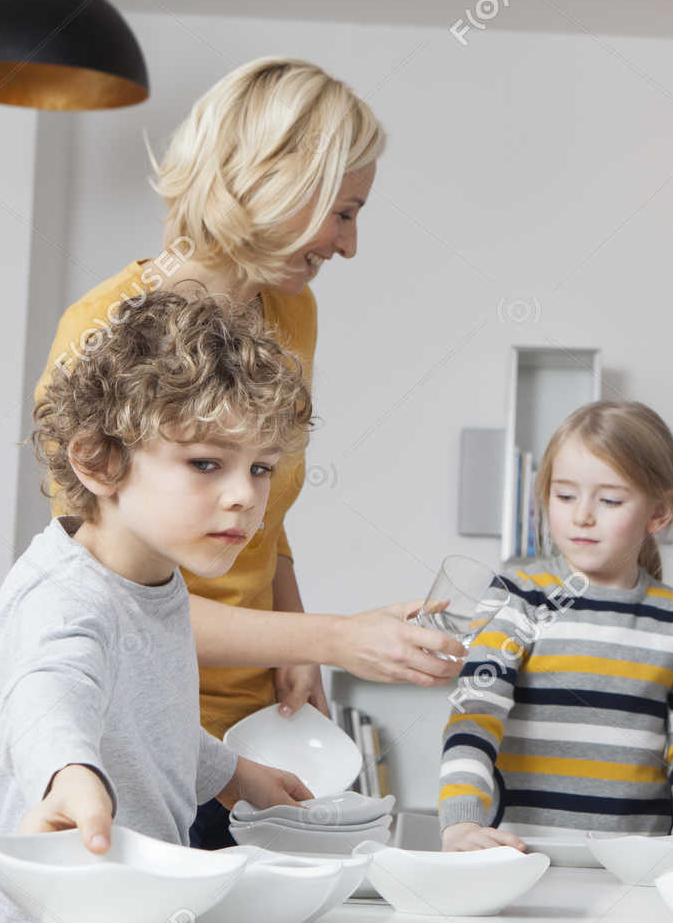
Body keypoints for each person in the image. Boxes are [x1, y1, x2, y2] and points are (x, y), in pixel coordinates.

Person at [33, 58, 463, 849]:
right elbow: (109, 600)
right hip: (149, 737)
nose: (350, 243)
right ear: (273, 183)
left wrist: (296, 645)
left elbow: (269, 518)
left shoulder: (289, 313)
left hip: (260, 731)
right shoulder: (100, 334)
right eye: (343, 211)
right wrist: (332, 638)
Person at [0, 292, 316, 923]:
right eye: (207, 463)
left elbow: (142, 717)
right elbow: (46, 696)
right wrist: (65, 774)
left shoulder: (152, 577)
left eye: (261, 466)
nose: (245, 494)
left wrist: (233, 772)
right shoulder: (65, 600)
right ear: (98, 461)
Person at [437, 401, 673, 849]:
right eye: (565, 495)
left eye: (609, 499)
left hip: (634, 865)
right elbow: (475, 716)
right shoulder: (517, 597)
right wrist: (462, 823)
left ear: (659, 512)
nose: (581, 516)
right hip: (518, 856)